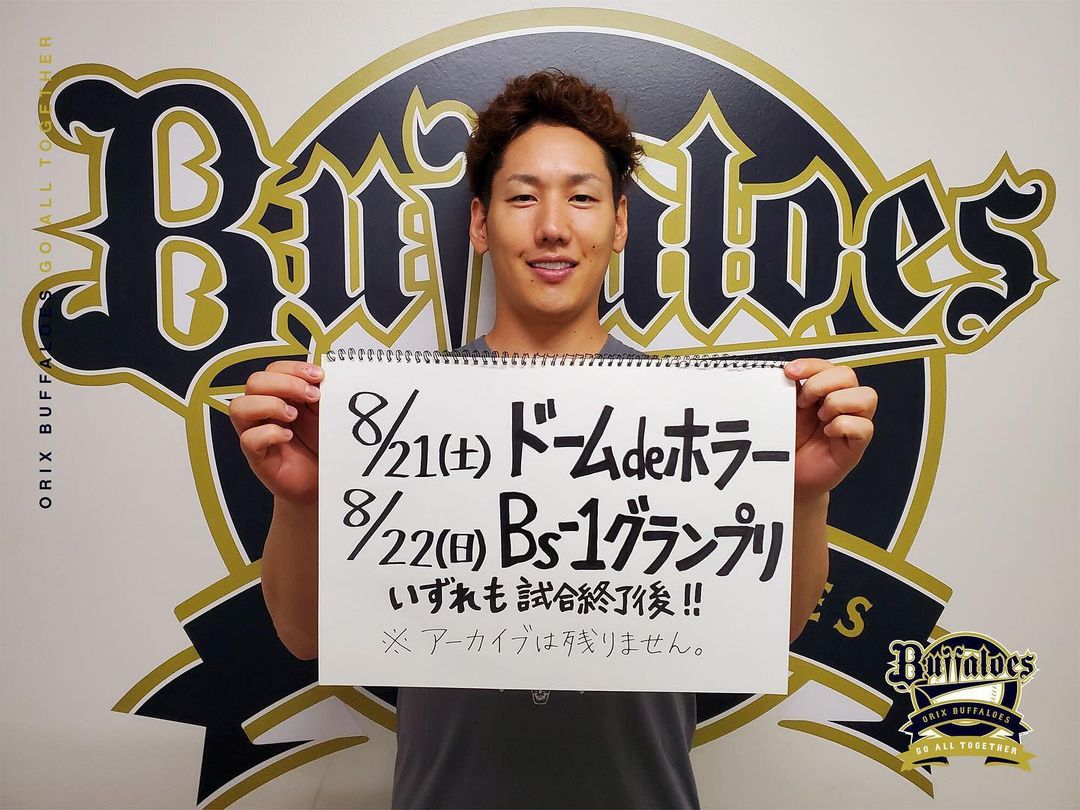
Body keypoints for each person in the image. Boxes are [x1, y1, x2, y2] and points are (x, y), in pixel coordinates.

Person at [229, 71, 876, 809]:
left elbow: (771, 631)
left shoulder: (689, 419)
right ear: (480, 224)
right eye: (522, 197)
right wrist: (301, 502)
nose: (553, 227)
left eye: (583, 197)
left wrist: (804, 497)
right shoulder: (399, 422)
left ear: (620, 224)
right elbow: (304, 635)